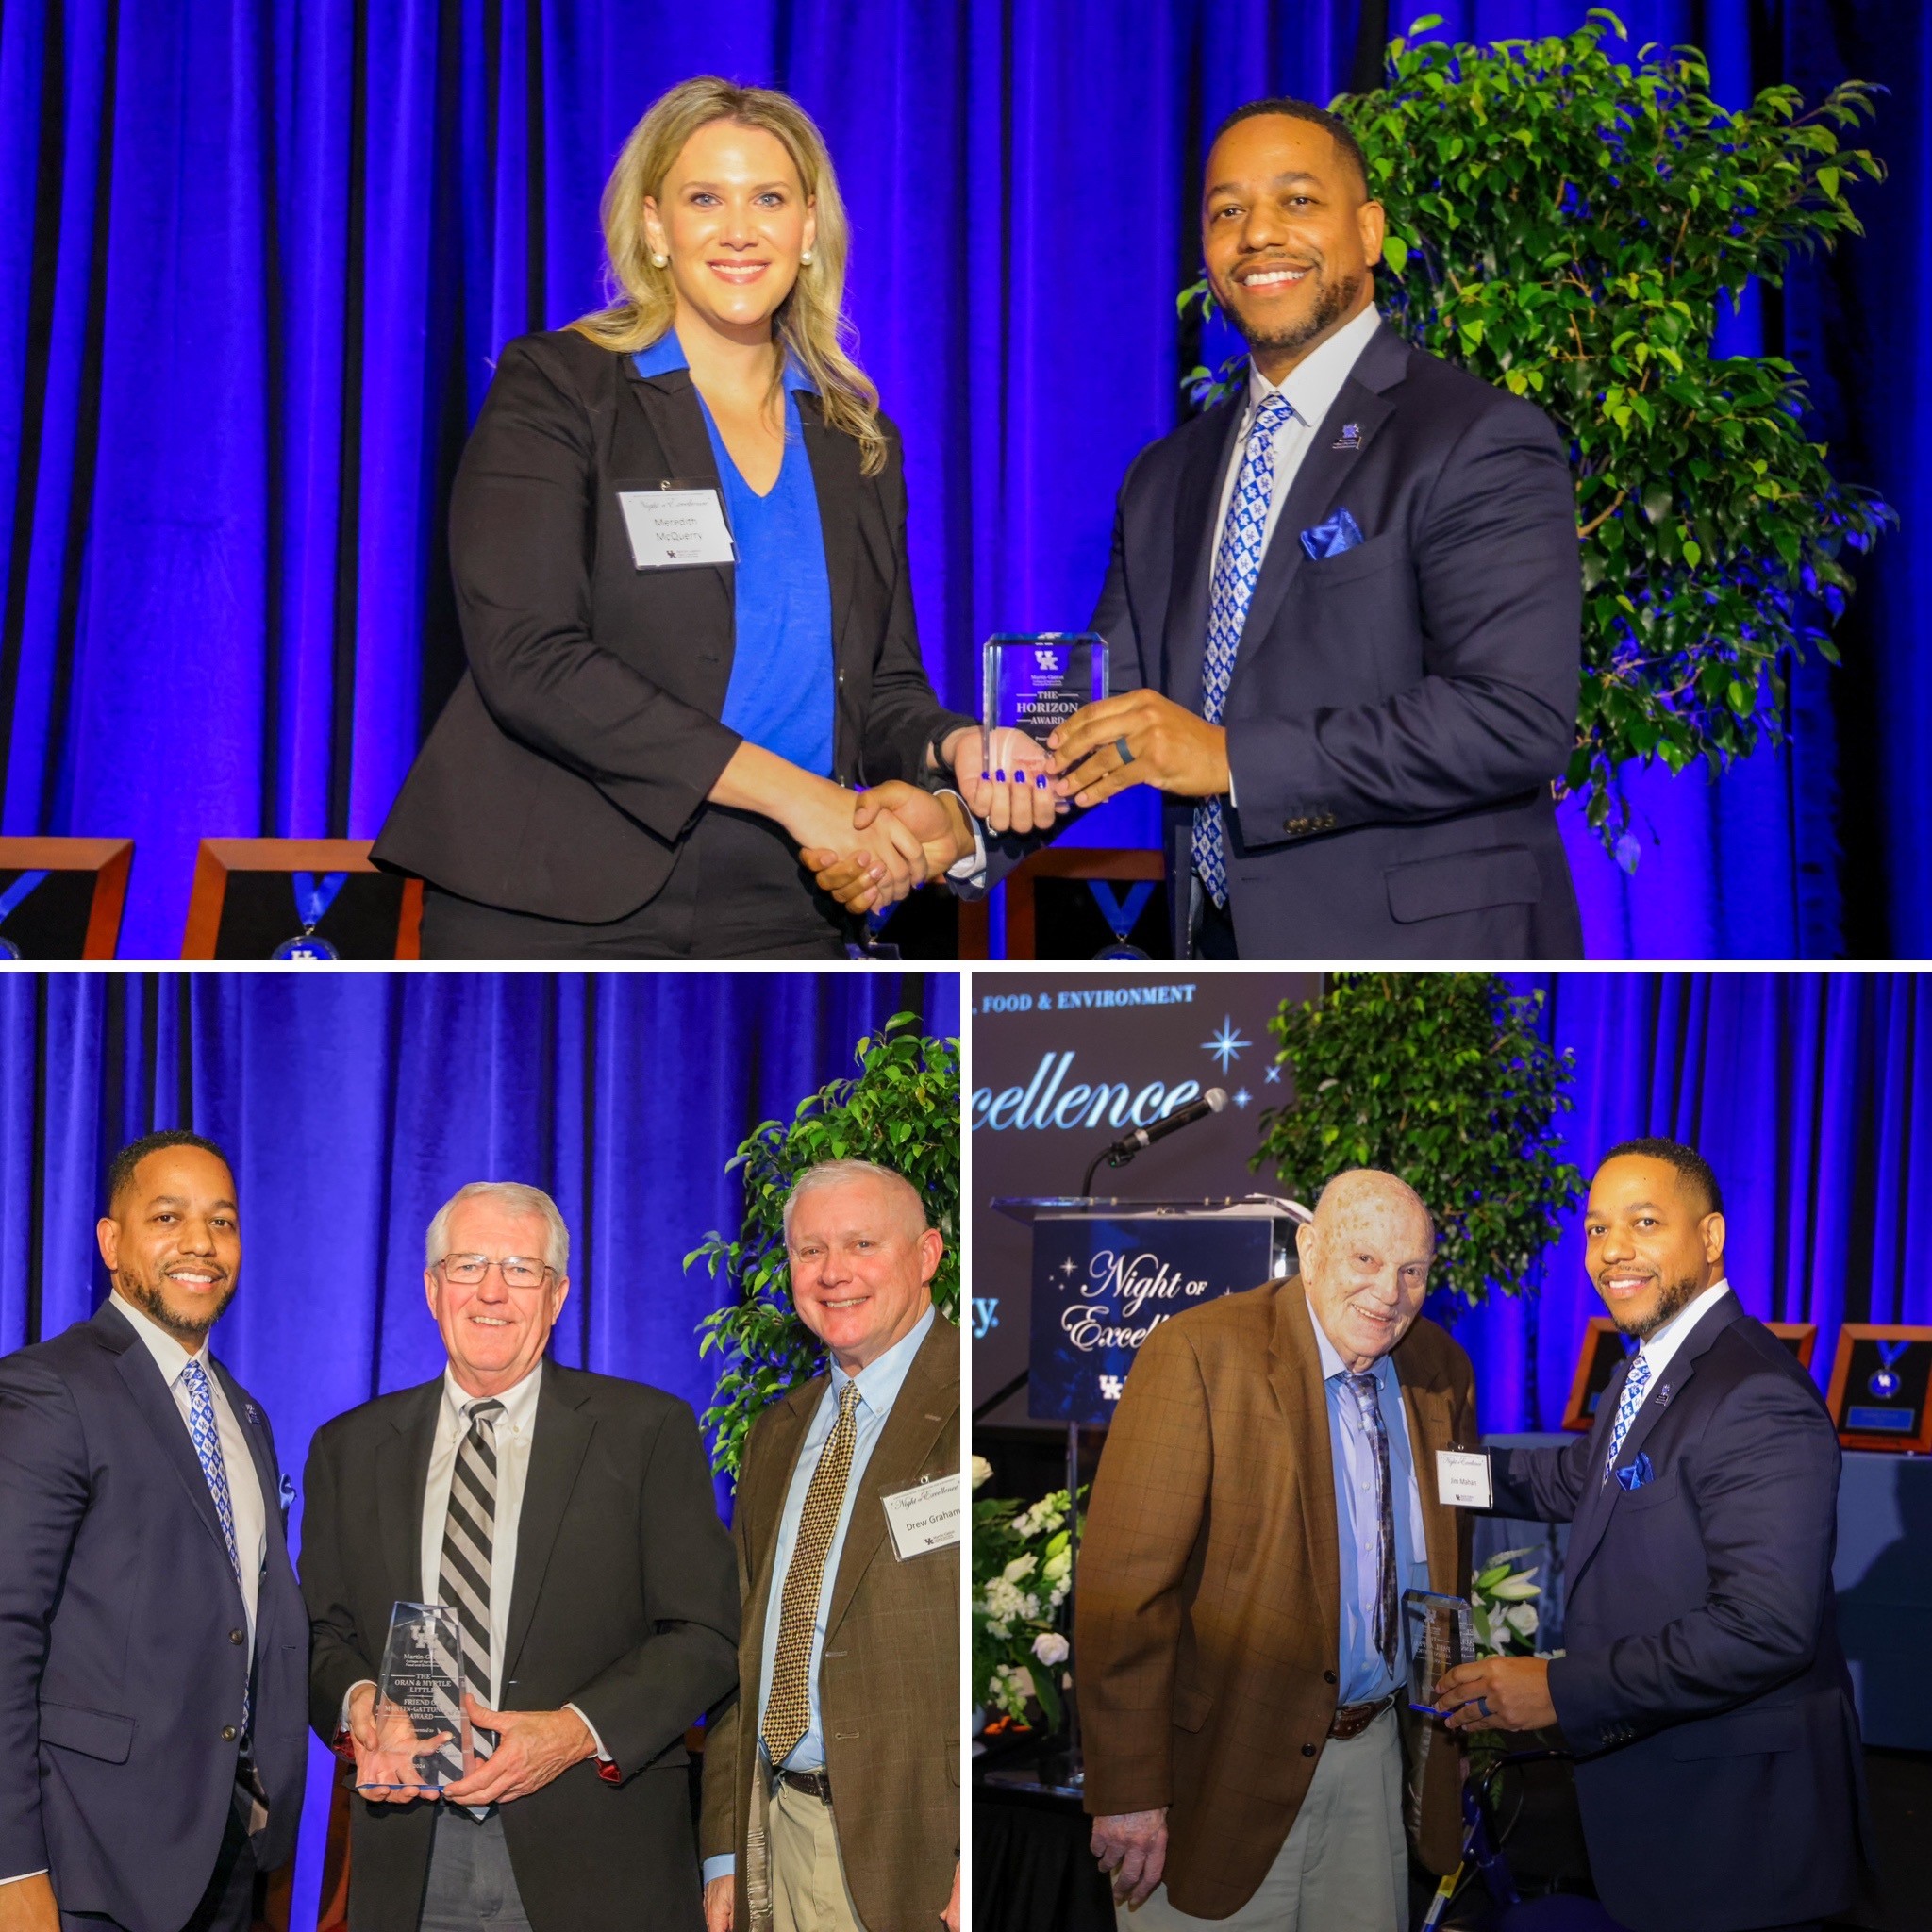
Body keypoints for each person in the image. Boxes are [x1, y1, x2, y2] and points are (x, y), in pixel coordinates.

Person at [818, 96, 1585, 957]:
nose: (1259, 234)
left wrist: (1230, 759)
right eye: (1229, 212)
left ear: (1370, 232)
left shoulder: (1474, 436)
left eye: (1298, 201)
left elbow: (1514, 717)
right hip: (1217, 962)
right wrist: (962, 824)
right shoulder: (1166, 476)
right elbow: (1103, 720)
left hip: (1417, 968)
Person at [371, 77, 978, 958]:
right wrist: (793, 792)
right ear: (655, 226)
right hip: (556, 893)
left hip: (789, 896)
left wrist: (954, 750)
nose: (740, 230)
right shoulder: (559, 387)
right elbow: (530, 658)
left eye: (768, 198)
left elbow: (880, 688)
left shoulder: (857, 435)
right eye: (705, 199)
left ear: (810, 227)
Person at [1437, 1140, 1870, 1932]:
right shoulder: (1653, 1369)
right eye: (1598, 1229)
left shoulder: (1755, 1394)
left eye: (1643, 1222)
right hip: (1672, 1816)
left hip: (1739, 1839)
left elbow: (1764, 1630)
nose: (1614, 1251)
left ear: (1710, 1239)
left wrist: (1556, 1688)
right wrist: (1424, 1468)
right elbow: (1572, 1480)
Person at [299, 1181, 738, 1931]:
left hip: (599, 1860)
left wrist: (570, 1732)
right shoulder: (349, 1447)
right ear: (433, 1289)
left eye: (521, 1269)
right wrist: (360, 1704)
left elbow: (705, 1637)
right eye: (468, 1265)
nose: (492, 1292)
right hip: (411, 1859)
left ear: (559, 1294)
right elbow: (319, 1635)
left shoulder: (647, 1432)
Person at [1076, 1170, 1475, 1931]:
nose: (1388, 1293)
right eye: (1365, 1261)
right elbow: (1123, 1594)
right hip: (1219, 1769)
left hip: (1372, 1760)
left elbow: (1454, 1553)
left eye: (1412, 1271)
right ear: (1311, 1248)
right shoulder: (1201, 1354)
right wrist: (1127, 1791)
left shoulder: (1439, 1372)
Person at [0, 1132, 309, 1932]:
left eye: (223, 1222)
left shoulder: (245, 1415)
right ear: (112, 1241)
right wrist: (12, 1869)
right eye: (167, 1217)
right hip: (88, 1867)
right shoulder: (49, 1389)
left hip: (230, 1859)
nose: (201, 1244)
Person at [700, 1161, 960, 1932]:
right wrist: (723, 1853)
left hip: (918, 1859)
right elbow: (737, 1654)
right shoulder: (777, 1432)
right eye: (810, 1251)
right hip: (773, 1836)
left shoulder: (970, 1400)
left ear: (927, 1255)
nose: (833, 1273)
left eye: (861, 1244)